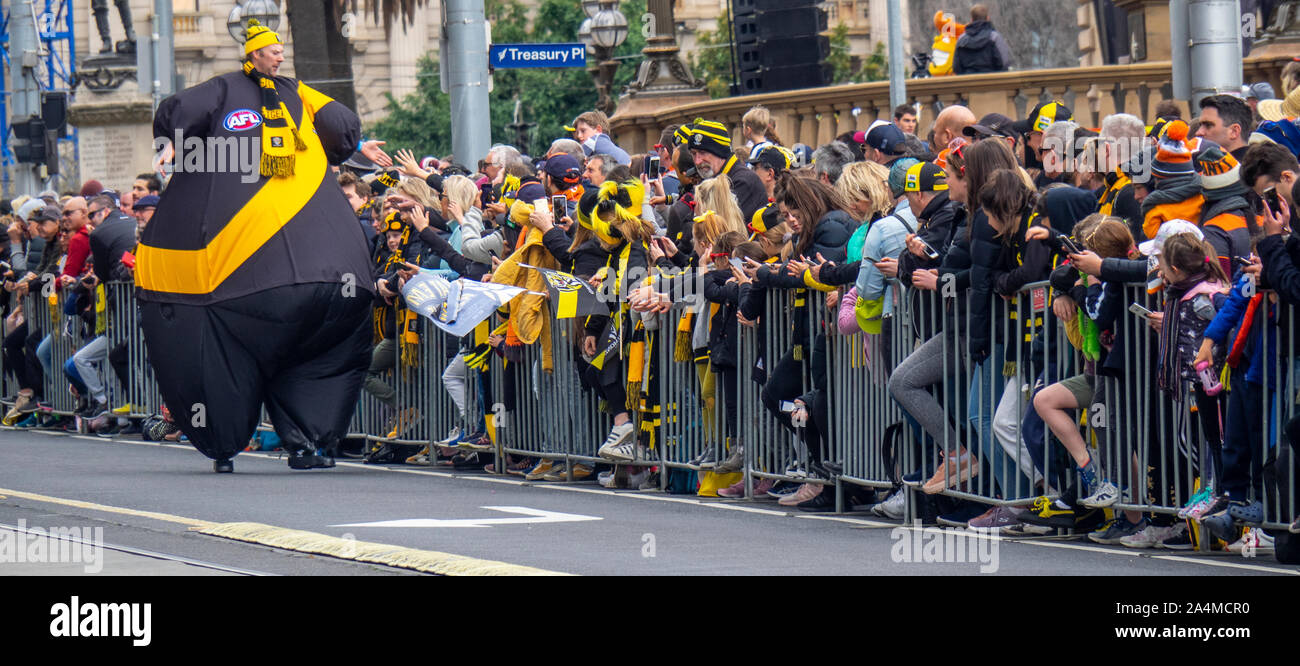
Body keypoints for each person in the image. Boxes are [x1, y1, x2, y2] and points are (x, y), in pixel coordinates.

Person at [136, 19, 387, 473]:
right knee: (317, 356)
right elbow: (340, 126)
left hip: (242, 283)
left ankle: (226, 440)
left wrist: (359, 146)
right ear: (253, 55)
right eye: (272, 51)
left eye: (279, 50)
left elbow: (177, 111)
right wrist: (172, 143)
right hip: (335, 274)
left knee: (225, 348)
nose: (279, 56)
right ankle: (309, 443)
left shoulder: (288, 91)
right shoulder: (245, 89)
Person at [682, 118, 767, 220]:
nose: (697, 161)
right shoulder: (714, 177)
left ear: (720, 152)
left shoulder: (742, 182)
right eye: (694, 154)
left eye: (703, 152)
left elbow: (721, 228)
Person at [953, 3, 1011, 74]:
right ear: (987, 18)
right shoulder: (994, 37)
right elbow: (1004, 63)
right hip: (993, 82)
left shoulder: (961, 40)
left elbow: (956, 67)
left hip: (969, 82)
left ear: (971, 19)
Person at [1195, 94, 1254, 162]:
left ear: (1234, 131)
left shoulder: (1249, 170)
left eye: (1208, 125)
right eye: (1200, 125)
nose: (1198, 132)